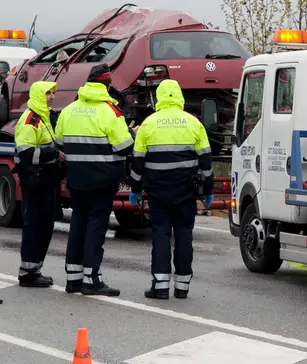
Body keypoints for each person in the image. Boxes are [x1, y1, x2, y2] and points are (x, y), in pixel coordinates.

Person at [126, 79, 214, 299]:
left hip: (158, 190)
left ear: (159, 97)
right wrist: (208, 190)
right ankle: (182, 287)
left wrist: (135, 187)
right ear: (180, 96)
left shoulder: (148, 123)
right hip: (185, 189)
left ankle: (161, 286)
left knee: (161, 234)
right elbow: (206, 163)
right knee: (184, 234)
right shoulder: (194, 123)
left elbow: (137, 162)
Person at [54, 63, 136, 296]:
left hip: (77, 178)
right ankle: (91, 279)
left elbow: (59, 144)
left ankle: (73, 279)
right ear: (107, 85)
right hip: (103, 180)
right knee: (96, 226)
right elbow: (125, 147)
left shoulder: (69, 110)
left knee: (78, 222)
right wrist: (131, 132)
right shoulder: (111, 111)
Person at [14, 81, 64, 287]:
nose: (52, 96)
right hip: (36, 180)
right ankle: (28, 272)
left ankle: (34, 269)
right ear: (37, 95)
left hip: (45, 180)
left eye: (53, 93)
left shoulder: (44, 118)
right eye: (47, 93)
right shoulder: (30, 120)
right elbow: (25, 154)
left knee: (44, 224)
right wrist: (54, 154)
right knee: (35, 225)